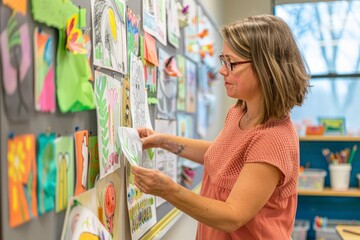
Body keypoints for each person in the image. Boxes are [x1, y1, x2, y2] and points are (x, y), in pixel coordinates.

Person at [132, 14, 310, 239]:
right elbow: (223, 157)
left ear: (266, 67)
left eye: (231, 63)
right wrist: (163, 140)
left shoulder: (274, 139)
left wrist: (169, 190)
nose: (222, 70)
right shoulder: (239, 112)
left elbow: (232, 216)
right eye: (222, 60)